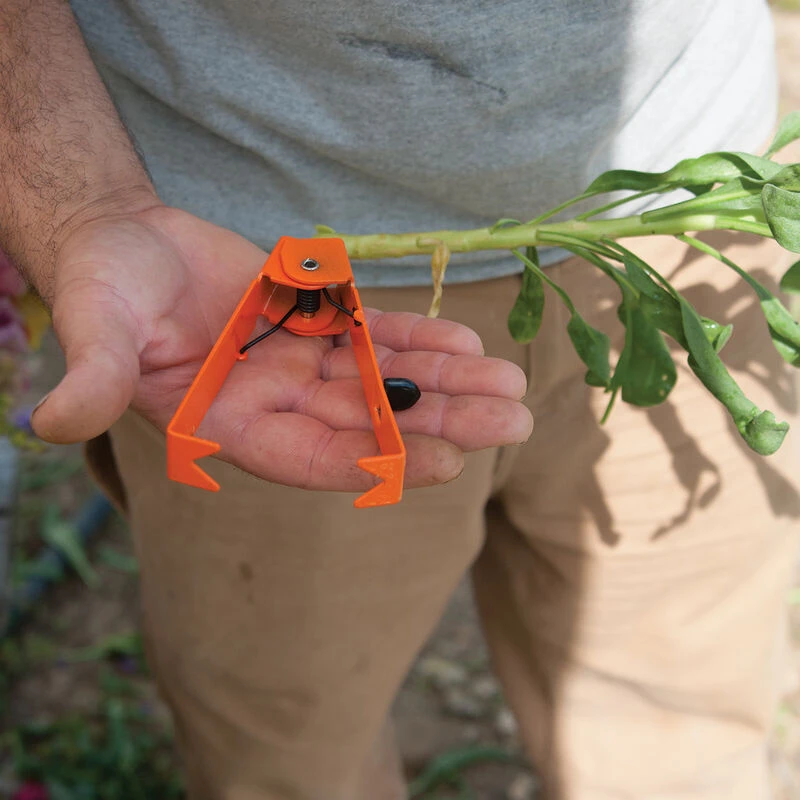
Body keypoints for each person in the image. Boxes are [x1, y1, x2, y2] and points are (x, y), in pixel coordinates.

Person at [2, 1, 798, 798]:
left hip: (690, 217)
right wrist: (86, 206)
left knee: (680, 726)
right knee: (288, 741)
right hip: (236, 278)